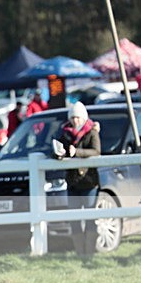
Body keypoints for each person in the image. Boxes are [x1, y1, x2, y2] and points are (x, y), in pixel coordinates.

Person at [54, 101, 102, 258]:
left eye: (78, 118)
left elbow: (96, 151)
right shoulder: (65, 133)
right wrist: (58, 154)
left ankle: (89, 252)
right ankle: (80, 252)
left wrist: (77, 152)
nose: (75, 121)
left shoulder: (92, 132)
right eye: (73, 118)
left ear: (84, 118)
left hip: (89, 182)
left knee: (90, 218)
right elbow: (58, 148)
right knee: (74, 219)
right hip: (73, 182)